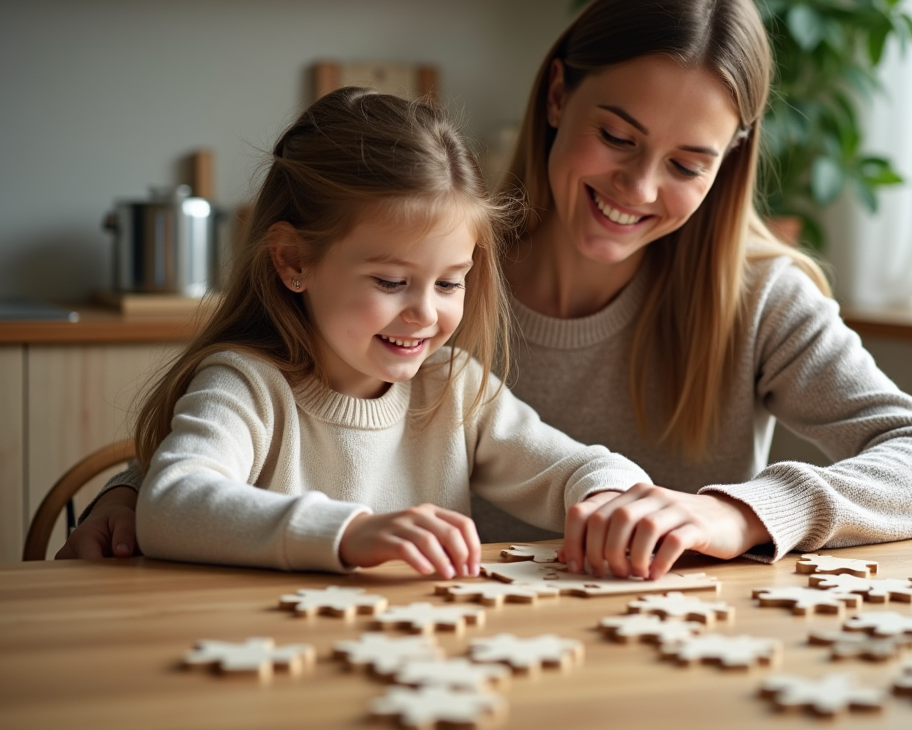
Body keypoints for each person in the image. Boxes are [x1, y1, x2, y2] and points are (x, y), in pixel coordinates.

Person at [62, 0, 912, 581]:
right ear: (555, 96)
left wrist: (733, 514)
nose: (638, 186)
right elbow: (266, 411)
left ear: (729, 164)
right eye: (617, 137)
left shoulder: (758, 299)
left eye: (688, 163)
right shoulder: (446, 264)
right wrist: (142, 485)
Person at [120, 87, 657, 576]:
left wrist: (610, 496)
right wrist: (349, 533)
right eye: (392, 281)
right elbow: (171, 503)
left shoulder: (452, 385)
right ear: (293, 260)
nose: (425, 313)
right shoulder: (247, 386)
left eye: (449, 283)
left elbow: (575, 466)